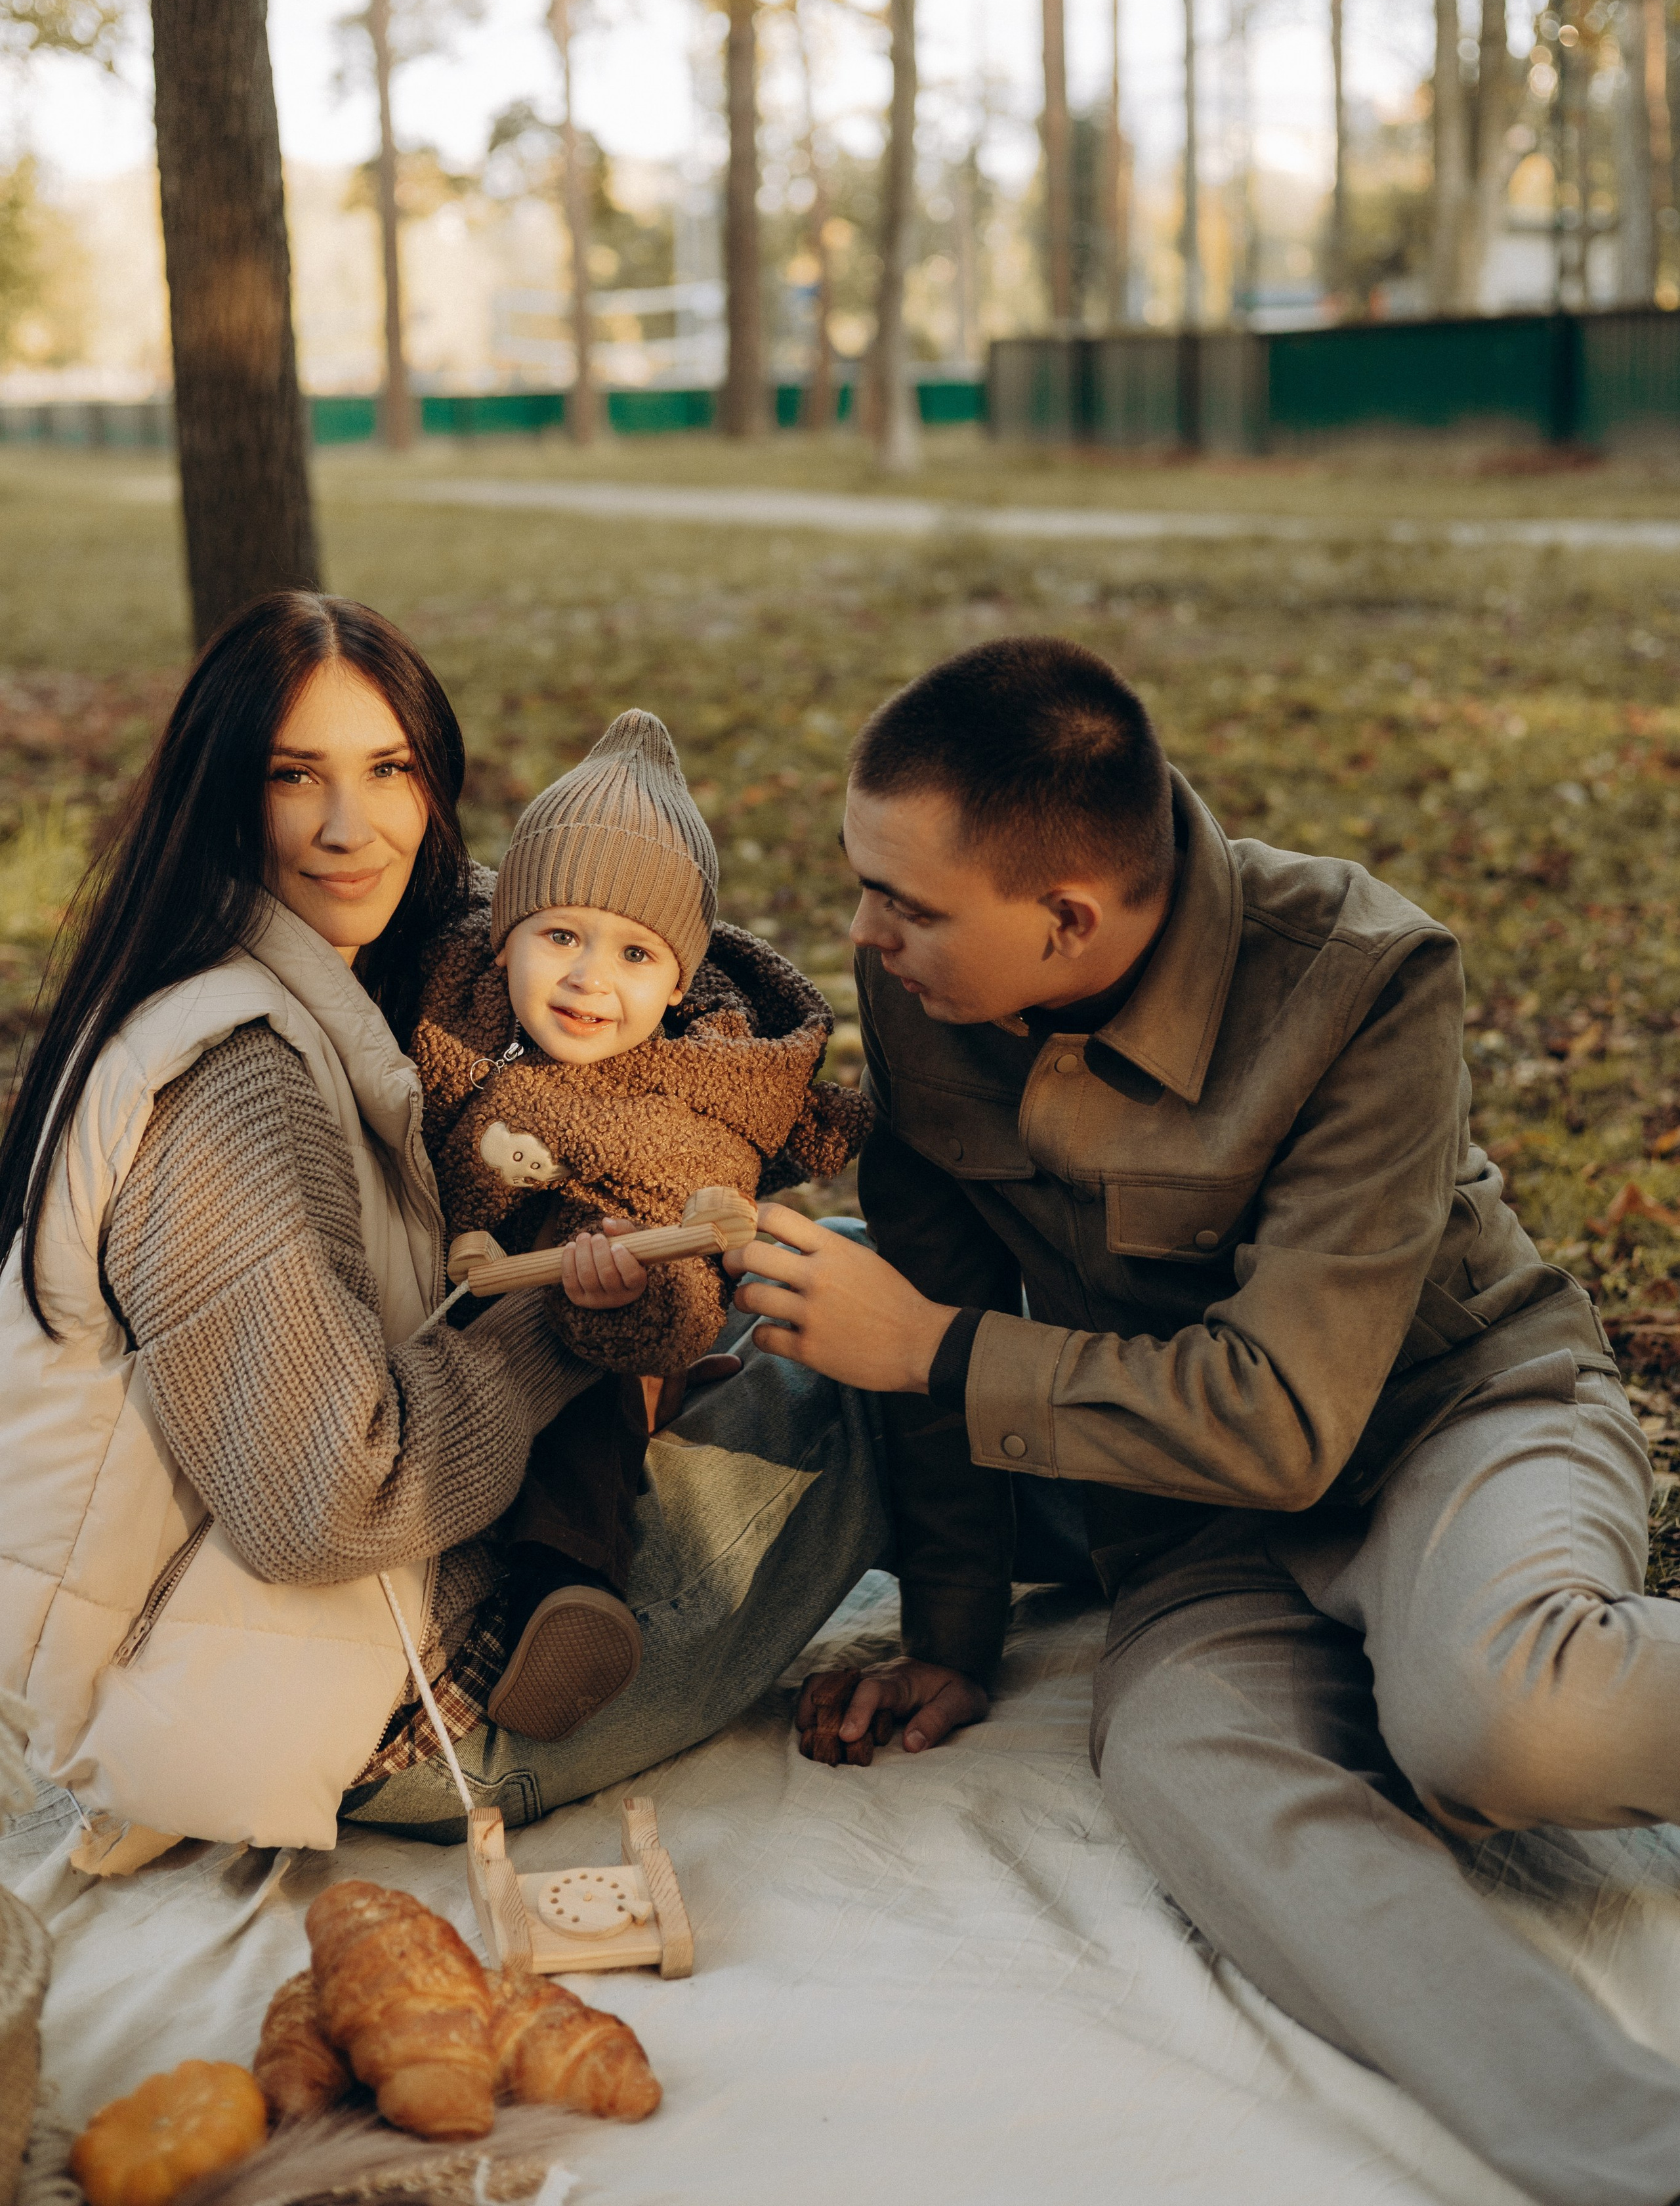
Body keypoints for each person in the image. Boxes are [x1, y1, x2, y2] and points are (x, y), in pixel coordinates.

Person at [726, 634, 1680, 2206]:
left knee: (1497, 1719)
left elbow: (1282, 1417)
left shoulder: (1360, 977)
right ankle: (1625, 2150)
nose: (863, 934)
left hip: (1450, 1424)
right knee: (1179, 1764)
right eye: (861, 885)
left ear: (1066, 919)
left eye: (903, 903)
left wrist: (944, 1353)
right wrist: (953, 1633)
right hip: (1176, 1521)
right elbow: (934, 1301)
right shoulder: (924, 998)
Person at [0, 591, 885, 1868]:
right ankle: (1152, 1565)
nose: (352, 829)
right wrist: (559, 1324)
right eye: (294, 777)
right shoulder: (232, 1091)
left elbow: (542, 904)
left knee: (790, 1278)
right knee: (852, 1330)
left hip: (259, 1655)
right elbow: (325, 1505)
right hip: (385, 1716)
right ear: (218, 795)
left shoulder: (295, 967)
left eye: (389, 771)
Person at [410, 706, 867, 1743]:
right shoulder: (454, 1010)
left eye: (633, 954)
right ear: (504, 937)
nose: (587, 979)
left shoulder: (686, 1106)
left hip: (589, 1338)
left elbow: (687, 1306)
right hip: (440, 1299)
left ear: (676, 983)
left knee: (584, 1422)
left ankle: (562, 1595)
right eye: (559, 936)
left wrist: (632, 1301)